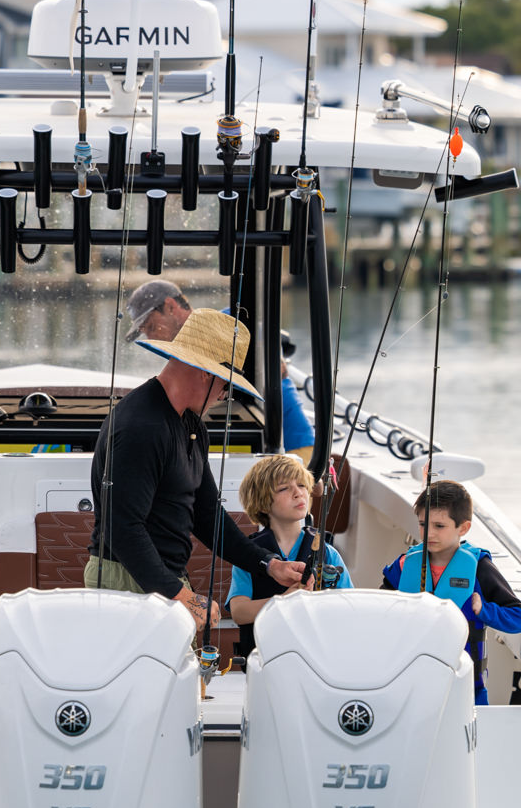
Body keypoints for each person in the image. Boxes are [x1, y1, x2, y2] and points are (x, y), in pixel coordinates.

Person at [87, 308, 305, 629]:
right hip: (125, 580)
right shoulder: (141, 426)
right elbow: (122, 529)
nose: (225, 395)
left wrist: (267, 563)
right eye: (226, 385)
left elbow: (207, 516)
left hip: (161, 579)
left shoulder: (191, 425)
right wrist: (181, 595)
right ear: (206, 373)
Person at [123, 280, 315, 460]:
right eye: (145, 332)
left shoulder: (226, 325)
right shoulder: (195, 353)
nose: (150, 337)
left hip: (292, 444)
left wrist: (271, 354)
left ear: (171, 306)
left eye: (151, 326)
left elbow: (263, 338)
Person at [380, 481, 521, 705]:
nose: (429, 533)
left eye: (439, 526)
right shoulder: (403, 566)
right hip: (408, 684)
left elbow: (519, 619)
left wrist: (484, 610)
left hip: (467, 691)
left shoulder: (479, 568)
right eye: (422, 524)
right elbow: (378, 610)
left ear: (463, 528)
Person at [224, 453, 353, 657]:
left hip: (319, 656)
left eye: (302, 485)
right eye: (284, 488)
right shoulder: (248, 555)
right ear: (263, 503)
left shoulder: (328, 553)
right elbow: (239, 612)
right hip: (264, 657)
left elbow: (349, 606)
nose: (298, 493)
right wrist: (283, 600)